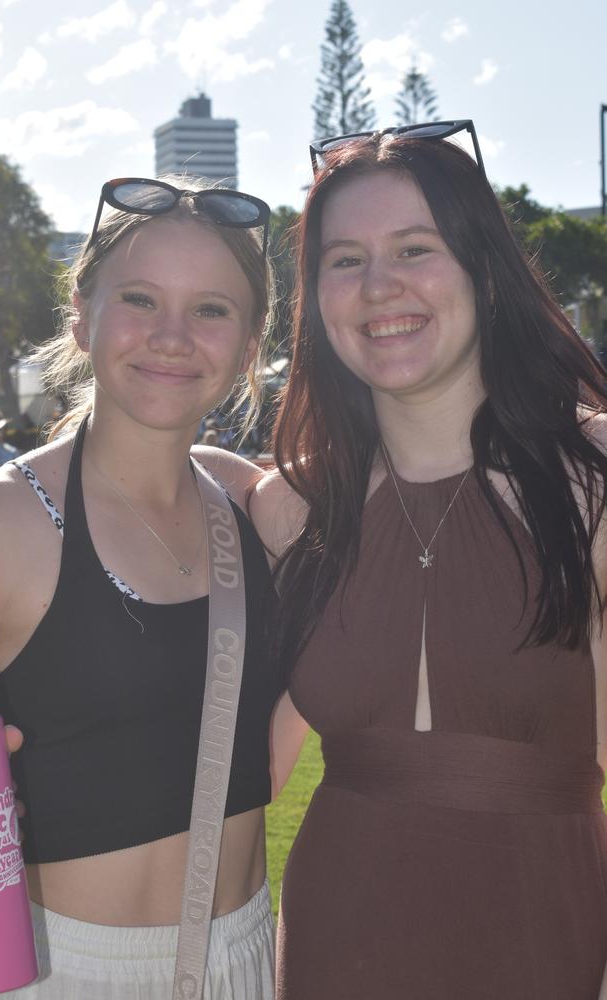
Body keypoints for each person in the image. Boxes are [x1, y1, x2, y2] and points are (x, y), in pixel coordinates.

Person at [249, 122, 607, 998]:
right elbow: (242, 772)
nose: (380, 288)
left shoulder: (594, 488)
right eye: (344, 259)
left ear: (484, 269)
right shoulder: (290, 508)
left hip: (543, 946)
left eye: (415, 248)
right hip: (337, 952)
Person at [0, 175, 281, 998]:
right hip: (64, 971)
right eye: (140, 298)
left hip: (247, 955)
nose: (172, 336)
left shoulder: (257, 505)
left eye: (211, 309)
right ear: (81, 313)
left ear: (249, 344)